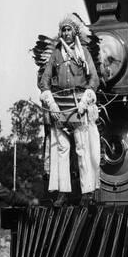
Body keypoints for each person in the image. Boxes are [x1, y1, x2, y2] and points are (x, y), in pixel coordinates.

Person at [39, 14, 100, 206]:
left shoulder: (84, 53)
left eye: (69, 30)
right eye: (63, 30)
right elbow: (45, 81)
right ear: (60, 33)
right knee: (61, 150)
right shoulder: (56, 54)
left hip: (79, 105)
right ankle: (62, 193)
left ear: (75, 32)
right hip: (60, 106)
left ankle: (87, 193)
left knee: (83, 149)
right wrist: (52, 105)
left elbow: (94, 79)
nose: (66, 33)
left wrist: (85, 101)